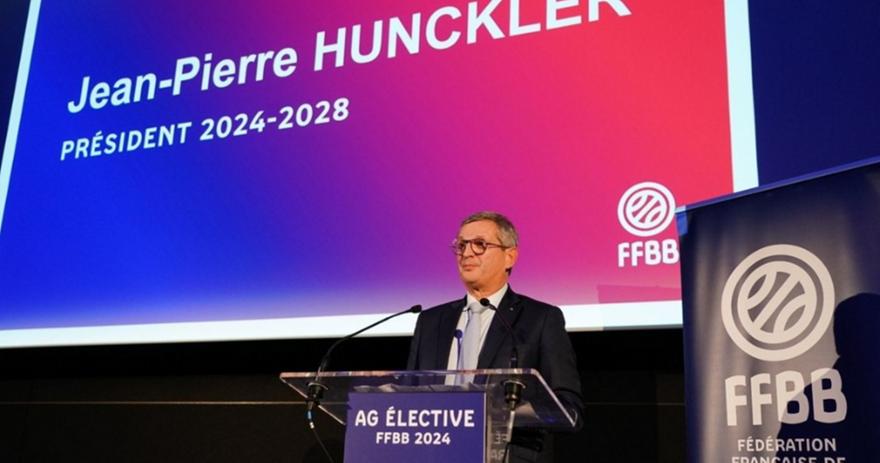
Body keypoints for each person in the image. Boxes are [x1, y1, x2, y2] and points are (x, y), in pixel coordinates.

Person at [407, 211, 584, 463]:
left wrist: (503, 413)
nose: (467, 253)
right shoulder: (430, 321)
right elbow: (410, 396)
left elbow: (568, 408)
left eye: (479, 244)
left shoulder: (540, 319)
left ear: (509, 256)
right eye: (461, 245)